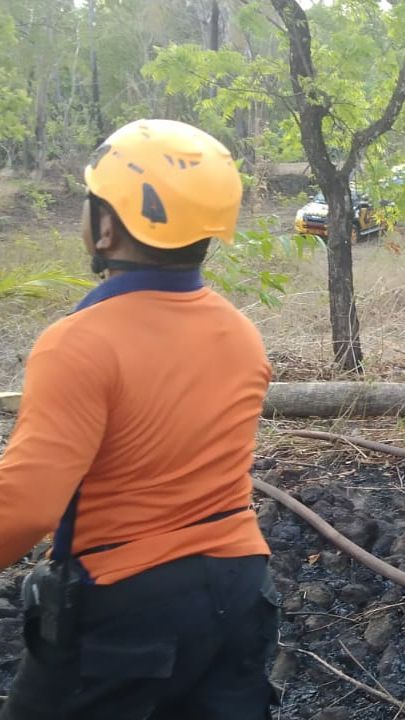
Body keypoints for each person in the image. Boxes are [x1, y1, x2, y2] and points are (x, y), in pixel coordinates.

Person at [0, 119, 279, 720]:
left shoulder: (78, 343)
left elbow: (22, 509)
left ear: (106, 225)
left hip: (125, 613)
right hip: (241, 592)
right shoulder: (241, 334)